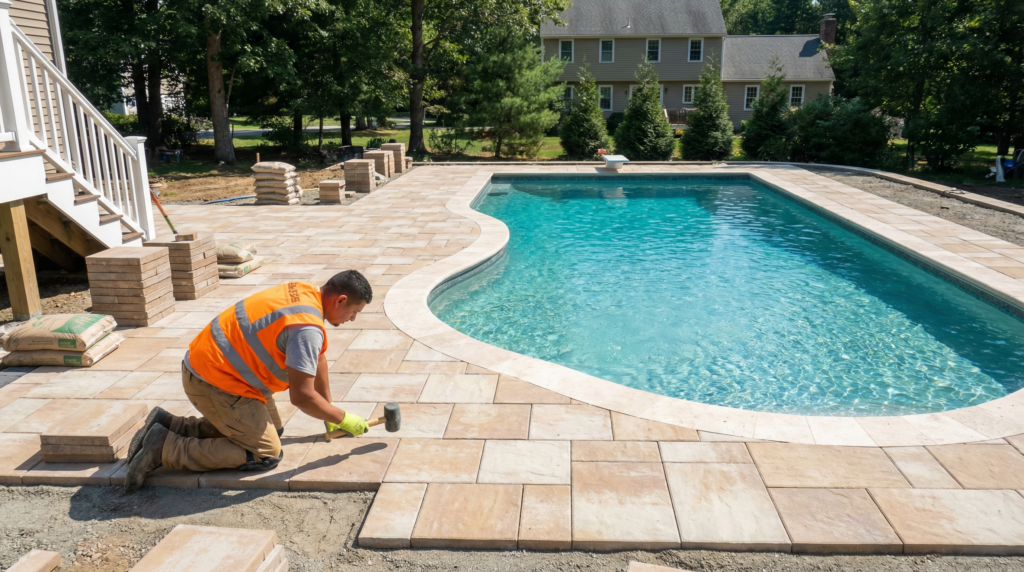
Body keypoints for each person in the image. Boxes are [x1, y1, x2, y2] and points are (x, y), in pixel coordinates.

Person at [123, 270, 374, 493]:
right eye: (354, 312)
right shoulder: (306, 329)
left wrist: (327, 409)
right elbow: (301, 396)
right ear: (340, 300)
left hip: (215, 367)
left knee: (273, 431)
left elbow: (317, 357)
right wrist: (342, 418)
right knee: (265, 453)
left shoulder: (304, 292)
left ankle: (171, 425)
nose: (353, 318)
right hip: (215, 381)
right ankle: (164, 448)